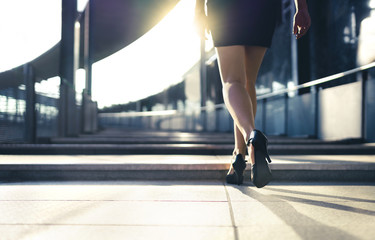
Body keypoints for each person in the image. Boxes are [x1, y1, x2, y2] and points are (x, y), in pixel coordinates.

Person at [194, 0, 311, 187]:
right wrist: (301, 7)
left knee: (233, 81)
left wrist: (199, 9)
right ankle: (239, 156)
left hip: (226, 7)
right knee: (248, 83)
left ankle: (251, 137)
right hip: (262, 7)